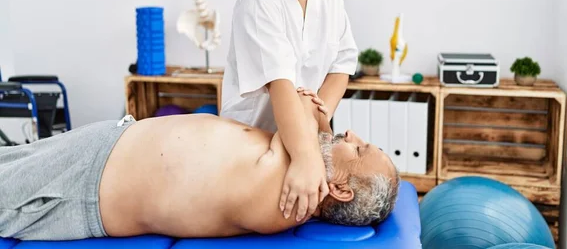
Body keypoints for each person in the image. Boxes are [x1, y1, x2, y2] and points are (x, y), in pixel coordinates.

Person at [0, 92, 399, 241]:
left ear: (341, 189)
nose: (353, 135)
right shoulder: (299, 162)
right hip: (105, 147)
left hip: (86, 185)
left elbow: (290, 101)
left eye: (360, 151)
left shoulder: (290, 202)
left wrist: (315, 123)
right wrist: (318, 129)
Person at [221, 0, 358, 224]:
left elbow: (342, 65)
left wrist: (317, 120)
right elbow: (280, 83)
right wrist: (306, 157)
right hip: (251, 143)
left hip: (302, 140)